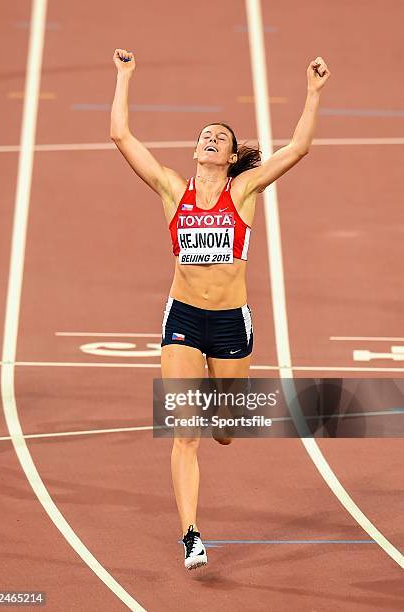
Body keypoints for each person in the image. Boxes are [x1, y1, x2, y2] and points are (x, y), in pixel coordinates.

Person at [110, 48, 330, 570]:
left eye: (221, 137)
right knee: (184, 433)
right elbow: (121, 136)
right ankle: (191, 534)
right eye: (205, 134)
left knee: (226, 431)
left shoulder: (245, 190)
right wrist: (124, 77)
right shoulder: (172, 189)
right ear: (196, 150)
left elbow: (297, 148)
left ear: (231, 157)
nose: (210, 138)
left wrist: (313, 92)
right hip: (183, 319)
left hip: (231, 321)